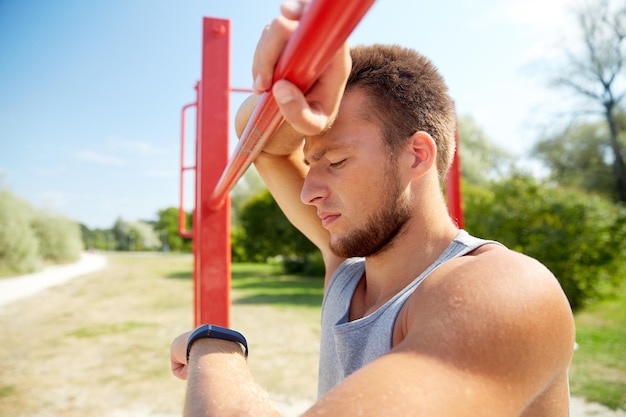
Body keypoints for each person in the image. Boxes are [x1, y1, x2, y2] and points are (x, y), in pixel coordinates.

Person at [170, 1, 576, 416]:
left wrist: (213, 346)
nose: (308, 191)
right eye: (311, 164)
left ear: (417, 156)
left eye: (337, 162)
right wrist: (296, 82)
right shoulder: (346, 268)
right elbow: (260, 142)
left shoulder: (504, 289)